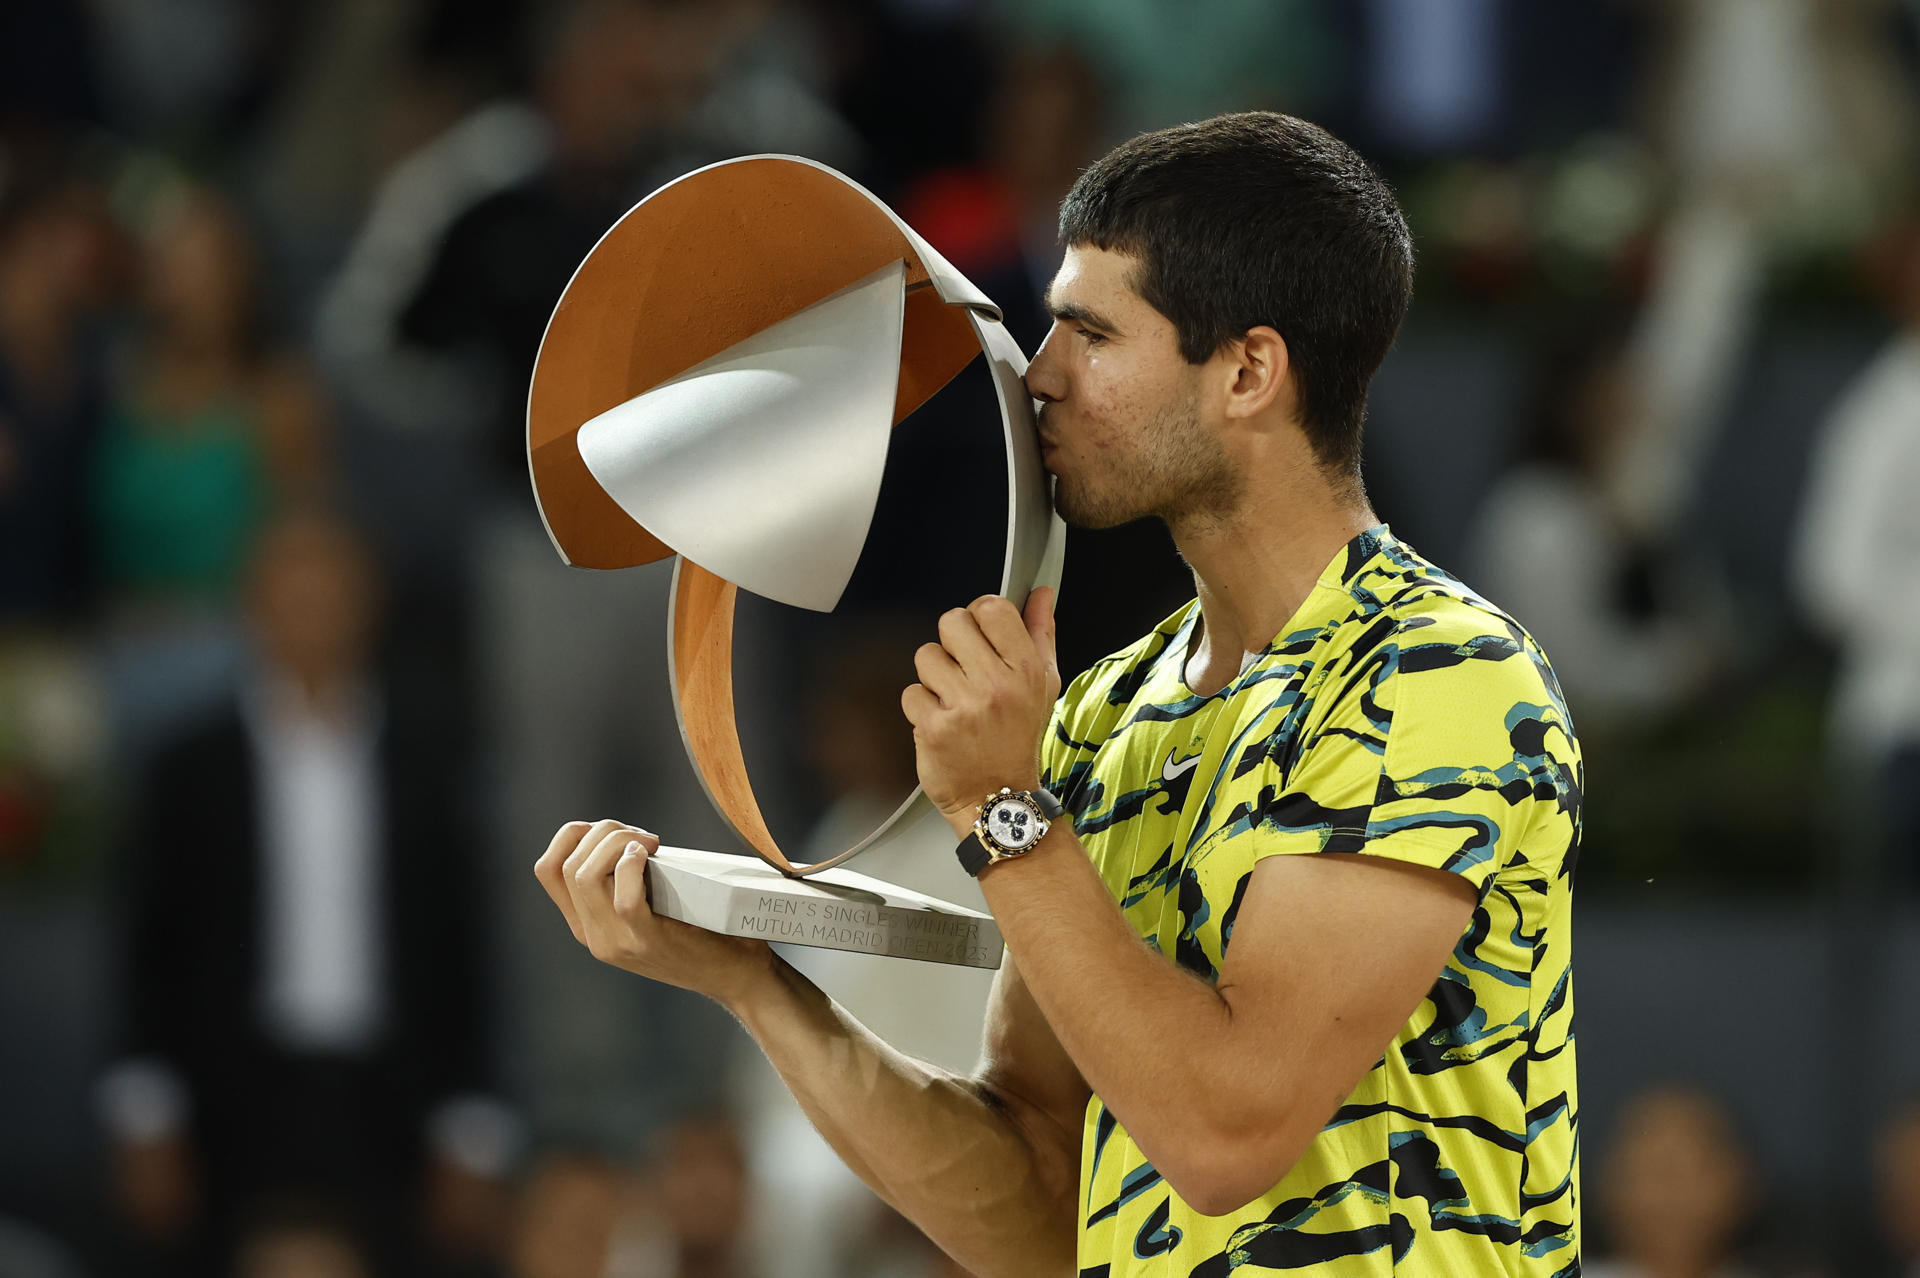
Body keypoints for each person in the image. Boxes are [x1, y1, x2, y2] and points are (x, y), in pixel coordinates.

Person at [535, 112, 1582, 1275]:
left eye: (1090, 332)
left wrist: (1003, 813)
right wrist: (763, 989)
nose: (1039, 374)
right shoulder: (1102, 713)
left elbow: (1227, 1135)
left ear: (1246, 371)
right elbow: (1042, 1199)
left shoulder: (1435, 674)